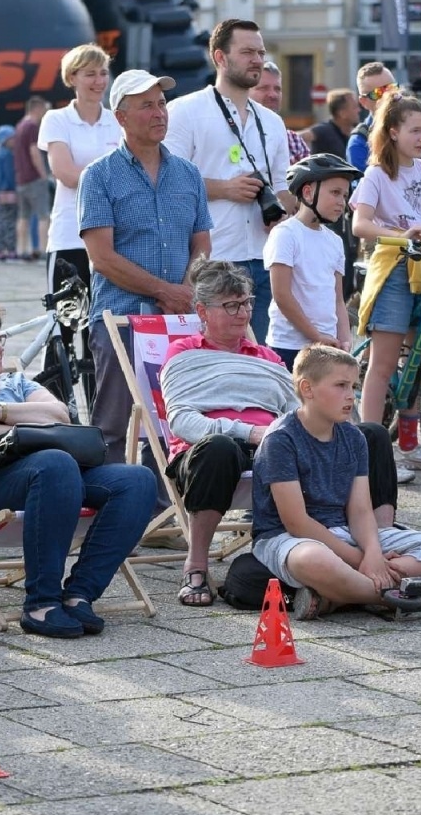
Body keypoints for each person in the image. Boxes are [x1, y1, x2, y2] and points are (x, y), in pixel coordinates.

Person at [161, 259, 400, 605]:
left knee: (371, 435)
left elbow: (300, 410)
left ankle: (380, 543)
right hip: (209, 452)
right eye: (231, 306)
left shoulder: (267, 358)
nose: (243, 313)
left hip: (278, 445)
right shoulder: (184, 353)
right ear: (202, 311)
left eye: (246, 303)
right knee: (219, 448)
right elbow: (182, 420)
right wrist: (250, 432)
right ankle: (196, 564)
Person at [0, 301, 157, 637]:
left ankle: (79, 595)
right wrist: (33, 423)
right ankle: (41, 604)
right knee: (55, 461)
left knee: (137, 480)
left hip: (52, 479)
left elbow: (60, 415)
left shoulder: (17, 384)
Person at [251, 345, 421, 619]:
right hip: (290, 539)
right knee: (313, 560)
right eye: (341, 386)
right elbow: (296, 522)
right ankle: (398, 597)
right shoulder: (281, 439)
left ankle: (340, 596)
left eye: (353, 386)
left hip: (345, 531)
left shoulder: (353, 437)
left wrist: (373, 554)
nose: (350, 396)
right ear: (307, 389)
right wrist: (365, 561)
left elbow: (360, 510)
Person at [79, 70, 212, 464]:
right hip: (121, 317)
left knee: (176, 421)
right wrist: (165, 291)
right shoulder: (98, 176)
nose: (159, 113)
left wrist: (187, 290)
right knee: (114, 425)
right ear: (121, 117)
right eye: (146, 106)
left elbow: (202, 243)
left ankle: (164, 497)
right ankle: (113, 495)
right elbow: (102, 257)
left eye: (162, 103)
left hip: (179, 318)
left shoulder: (188, 173)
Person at [351, 94, 421, 473]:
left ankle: (410, 444)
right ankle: (372, 454)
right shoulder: (376, 174)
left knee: (420, 360)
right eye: (415, 130)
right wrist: (402, 235)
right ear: (392, 132)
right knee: (383, 364)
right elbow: (360, 225)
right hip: (394, 269)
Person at [165, 20, 293, 344]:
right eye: (247, 52)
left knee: (256, 356)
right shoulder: (185, 112)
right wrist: (225, 189)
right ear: (220, 57)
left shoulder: (273, 122)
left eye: (261, 53)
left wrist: (285, 213)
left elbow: (281, 186)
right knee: (212, 357)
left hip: (265, 260)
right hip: (212, 261)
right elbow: (167, 183)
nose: (257, 60)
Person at [40, 43, 121, 301]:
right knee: (66, 318)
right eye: (90, 74)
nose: (99, 81)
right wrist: (112, 183)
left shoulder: (118, 121)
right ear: (72, 77)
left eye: (103, 73)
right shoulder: (56, 119)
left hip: (113, 238)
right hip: (69, 235)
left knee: (105, 320)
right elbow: (65, 173)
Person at [265, 155, 357, 369]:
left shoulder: (335, 241)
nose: (341, 202)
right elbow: (282, 295)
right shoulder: (285, 234)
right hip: (289, 346)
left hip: (326, 346)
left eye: (344, 195)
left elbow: (338, 299)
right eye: (335, 193)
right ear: (307, 192)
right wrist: (316, 336)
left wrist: (344, 339)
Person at [346, 63, 421, 205]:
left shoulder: (419, 127)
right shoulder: (359, 142)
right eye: (378, 93)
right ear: (364, 102)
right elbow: (368, 199)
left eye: (392, 88)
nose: (389, 96)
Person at [13, 95, 51, 261]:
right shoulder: (32, 127)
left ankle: (21, 250)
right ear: (37, 108)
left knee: (23, 217)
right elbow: (34, 151)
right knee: (44, 215)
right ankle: (43, 250)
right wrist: (43, 174)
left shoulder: (20, 126)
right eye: (44, 109)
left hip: (21, 179)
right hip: (34, 178)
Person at [254, 61, 311, 164]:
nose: (273, 95)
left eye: (277, 89)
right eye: (264, 88)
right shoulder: (235, 136)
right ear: (245, 92)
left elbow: (310, 173)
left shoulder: (294, 141)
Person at [0, 123, 20, 262]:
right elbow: (9, 175)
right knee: (9, 221)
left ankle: (0, 249)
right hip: (7, 192)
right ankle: (11, 249)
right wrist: (14, 188)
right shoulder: (7, 154)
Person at [306, 88, 358, 160]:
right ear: (342, 113)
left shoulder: (357, 133)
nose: (359, 110)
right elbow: (295, 137)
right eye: (354, 107)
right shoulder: (324, 130)